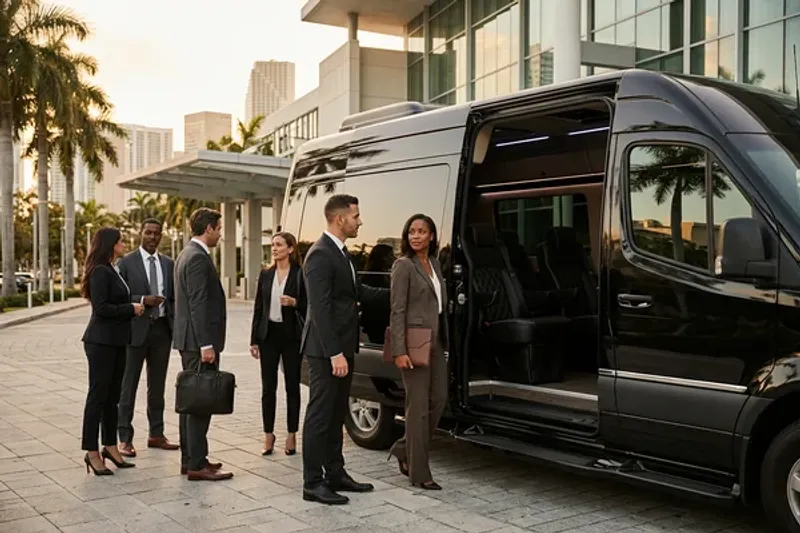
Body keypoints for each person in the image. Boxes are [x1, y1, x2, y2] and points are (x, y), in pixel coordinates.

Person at [301, 194, 388, 505]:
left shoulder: (341, 253)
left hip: (341, 349)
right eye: (356, 216)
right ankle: (313, 482)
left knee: (337, 413)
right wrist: (335, 353)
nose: (360, 221)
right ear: (339, 219)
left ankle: (335, 473)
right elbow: (320, 309)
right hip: (327, 351)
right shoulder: (320, 254)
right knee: (320, 415)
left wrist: (401, 293)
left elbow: (358, 291)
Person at [387, 214, 449, 490]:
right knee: (418, 408)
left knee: (440, 399)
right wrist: (400, 350)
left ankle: (404, 448)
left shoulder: (434, 264)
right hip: (413, 344)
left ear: (431, 236)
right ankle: (420, 473)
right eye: (411, 231)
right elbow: (397, 310)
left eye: (422, 231)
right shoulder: (404, 266)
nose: (416, 236)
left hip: (435, 342)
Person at [173, 207, 232, 481]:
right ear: (208, 228)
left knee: (191, 400)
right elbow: (197, 304)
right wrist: (206, 344)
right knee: (200, 402)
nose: (220, 234)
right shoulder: (197, 257)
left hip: (190, 341)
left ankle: (192, 459)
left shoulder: (186, 253)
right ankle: (196, 464)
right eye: (218, 229)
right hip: (199, 343)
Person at [80, 227, 145, 475]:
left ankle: (109, 445)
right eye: (120, 241)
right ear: (110, 244)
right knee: (97, 397)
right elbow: (102, 309)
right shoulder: (99, 271)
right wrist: (131, 308)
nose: (124, 244)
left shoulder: (112, 269)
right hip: (101, 343)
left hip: (117, 341)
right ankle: (91, 451)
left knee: (112, 398)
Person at [116, 218, 179, 457]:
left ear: (161, 236)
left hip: (162, 330)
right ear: (141, 233)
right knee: (128, 385)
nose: (152, 237)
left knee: (157, 386)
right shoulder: (127, 262)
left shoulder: (168, 264)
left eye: (156, 233)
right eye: (148, 232)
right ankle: (125, 437)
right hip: (135, 331)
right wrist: (143, 300)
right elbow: (120, 295)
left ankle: (156, 433)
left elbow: (173, 297)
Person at [249, 231, 306, 456]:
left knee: (292, 387)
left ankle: (292, 435)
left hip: (291, 336)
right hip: (268, 336)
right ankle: (268, 434)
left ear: (290, 249)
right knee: (268, 388)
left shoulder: (300, 274)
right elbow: (258, 309)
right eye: (272, 245)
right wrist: (254, 340)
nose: (274, 249)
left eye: (279, 245)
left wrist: (295, 302)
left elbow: (310, 304)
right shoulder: (266, 274)